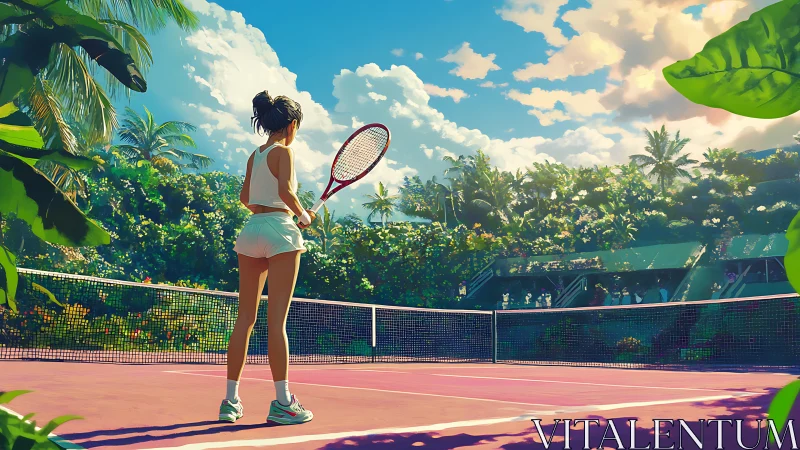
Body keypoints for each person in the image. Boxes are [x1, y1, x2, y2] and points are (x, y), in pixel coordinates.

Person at [219, 91, 316, 425]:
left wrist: (267, 210)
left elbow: (246, 197)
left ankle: (230, 402)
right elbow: (288, 192)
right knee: (276, 323)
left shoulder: (255, 154)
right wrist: (302, 215)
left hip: (251, 231)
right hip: (280, 231)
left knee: (244, 320)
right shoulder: (284, 153)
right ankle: (283, 403)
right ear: (291, 125)